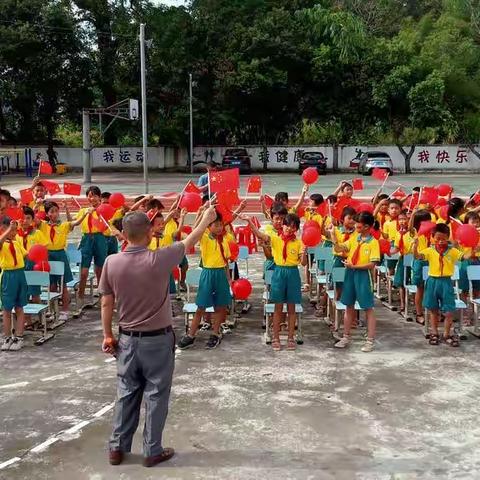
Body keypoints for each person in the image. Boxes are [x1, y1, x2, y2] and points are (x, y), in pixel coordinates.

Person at [99, 206, 217, 467]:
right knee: (156, 394)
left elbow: (106, 303)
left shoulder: (112, 262)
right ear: (150, 233)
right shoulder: (159, 258)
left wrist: (108, 335)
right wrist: (206, 218)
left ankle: (117, 447)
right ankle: (152, 450)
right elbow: (190, 240)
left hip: (127, 339)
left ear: (125, 235)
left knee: (126, 392)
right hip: (158, 340)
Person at [246, 213, 307, 351]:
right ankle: (276, 337)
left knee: (292, 308)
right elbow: (260, 235)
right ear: (282, 225)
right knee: (277, 307)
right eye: (287, 226)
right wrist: (250, 222)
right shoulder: (275, 239)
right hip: (278, 272)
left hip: (293, 273)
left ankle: (291, 337)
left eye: (293, 227)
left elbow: (303, 264)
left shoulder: (298, 243)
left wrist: (304, 254)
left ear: (296, 229)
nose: (289, 229)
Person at [177, 210, 232, 350]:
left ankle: (215, 333)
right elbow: (196, 230)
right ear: (209, 226)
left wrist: (229, 280)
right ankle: (191, 335)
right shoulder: (205, 237)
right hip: (207, 273)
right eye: (216, 225)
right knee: (200, 307)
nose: (219, 228)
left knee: (220, 306)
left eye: (221, 225)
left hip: (221, 274)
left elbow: (226, 261)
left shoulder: (226, 239)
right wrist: (203, 214)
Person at [413, 223, 474, 346]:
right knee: (433, 310)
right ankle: (434, 333)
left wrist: (473, 248)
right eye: (438, 238)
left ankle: (447, 334)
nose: (441, 241)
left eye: (444, 238)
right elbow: (418, 256)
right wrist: (415, 246)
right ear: (433, 237)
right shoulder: (430, 251)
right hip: (432, 281)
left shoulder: (452, 251)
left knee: (449, 311)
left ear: (448, 237)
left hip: (446, 282)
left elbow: (465, 257)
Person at [329, 212, 380, 352]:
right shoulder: (353, 239)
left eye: (359, 223)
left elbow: (372, 264)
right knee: (348, 305)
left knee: (368, 308)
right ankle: (345, 336)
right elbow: (339, 249)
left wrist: (354, 266)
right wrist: (333, 235)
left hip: (363, 276)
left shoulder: (373, 243)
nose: (356, 224)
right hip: (350, 274)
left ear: (367, 226)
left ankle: (369, 340)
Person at [40, 201, 93, 320]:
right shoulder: (43, 225)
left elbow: (76, 222)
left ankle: (65, 310)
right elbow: (33, 218)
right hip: (47, 255)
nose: (55, 213)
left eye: (56, 211)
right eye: (52, 211)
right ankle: (51, 309)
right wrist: (37, 205)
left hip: (60, 255)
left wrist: (85, 214)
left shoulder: (63, 225)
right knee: (51, 285)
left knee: (63, 284)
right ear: (47, 214)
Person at [75, 186, 108, 315]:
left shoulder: (103, 210)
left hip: (100, 239)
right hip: (87, 239)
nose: (92, 198)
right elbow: (76, 224)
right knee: (83, 272)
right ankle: (80, 298)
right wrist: (86, 213)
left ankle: (102, 299)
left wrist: (99, 213)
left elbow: (107, 225)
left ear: (99, 197)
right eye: (89, 195)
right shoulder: (83, 210)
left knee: (100, 271)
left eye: (94, 195)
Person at [0, 218, 28, 351]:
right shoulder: (2, 243)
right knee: (6, 309)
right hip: (8, 276)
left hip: (20, 275)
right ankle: (6, 337)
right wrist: (8, 231)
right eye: (10, 230)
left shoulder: (17, 243)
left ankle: (19, 336)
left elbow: (26, 254)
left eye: (15, 230)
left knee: (19, 307)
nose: (13, 232)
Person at [17, 206, 48, 304]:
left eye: (28, 218)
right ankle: (26, 318)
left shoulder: (37, 233)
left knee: (35, 293)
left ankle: (38, 317)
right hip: (20, 266)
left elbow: (44, 249)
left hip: (33, 266)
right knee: (22, 293)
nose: (25, 221)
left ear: (32, 220)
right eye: (22, 218)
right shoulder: (16, 235)